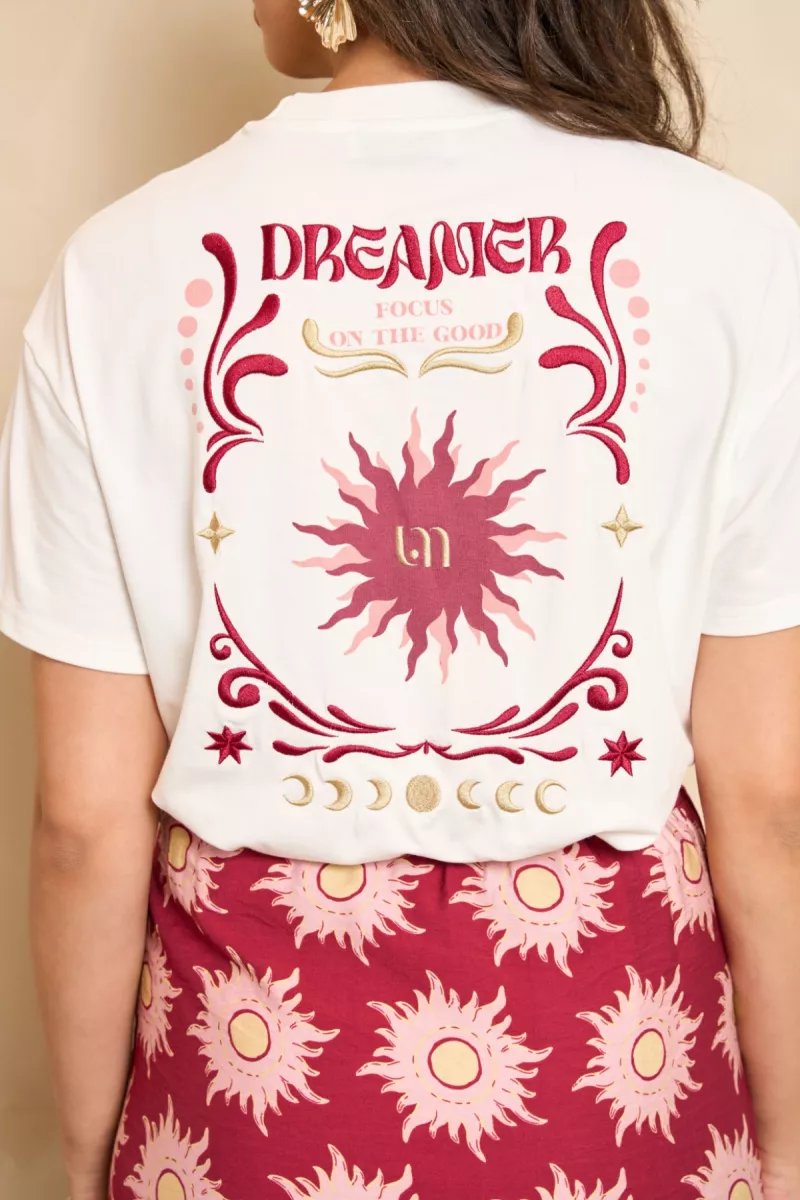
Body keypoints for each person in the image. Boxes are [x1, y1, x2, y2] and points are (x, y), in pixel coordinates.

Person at [1, 0, 799, 1196]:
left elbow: (80, 821)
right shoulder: (735, 248)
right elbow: (768, 797)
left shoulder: (116, 266)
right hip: (620, 1064)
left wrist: (86, 1158)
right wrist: (784, 1145)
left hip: (250, 1067)